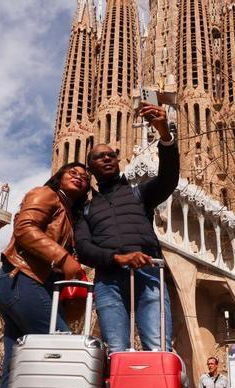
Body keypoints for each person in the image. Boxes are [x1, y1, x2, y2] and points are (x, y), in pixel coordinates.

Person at [0, 161, 90, 388]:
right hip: (23, 282)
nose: (80, 176)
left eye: (85, 177)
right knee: (64, 354)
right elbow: (24, 229)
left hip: (18, 285)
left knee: (15, 372)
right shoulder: (45, 194)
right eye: (73, 171)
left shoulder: (68, 214)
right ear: (58, 176)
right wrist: (63, 258)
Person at [74, 104, 178, 353]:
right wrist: (117, 258)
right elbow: (84, 249)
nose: (108, 158)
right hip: (108, 280)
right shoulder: (85, 210)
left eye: (111, 155)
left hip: (148, 271)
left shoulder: (138, 193)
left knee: (158, 346)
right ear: (91, 169)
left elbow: (168, 179)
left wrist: (165, 135)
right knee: (117, 351)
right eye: (100, 156)